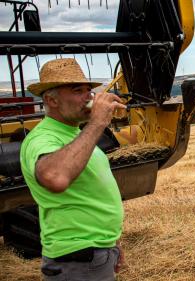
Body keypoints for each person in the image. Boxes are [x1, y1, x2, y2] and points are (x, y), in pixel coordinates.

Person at [21, 58, 127, 281]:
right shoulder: (43, 137)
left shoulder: (75, 135)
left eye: (89, 90)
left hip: (94, 253)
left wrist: (112, 243)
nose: (89, 96)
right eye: (77, 90)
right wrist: (97, 122)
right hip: (77, 259)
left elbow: (90, 195)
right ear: (51, 100)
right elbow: (55, 178)